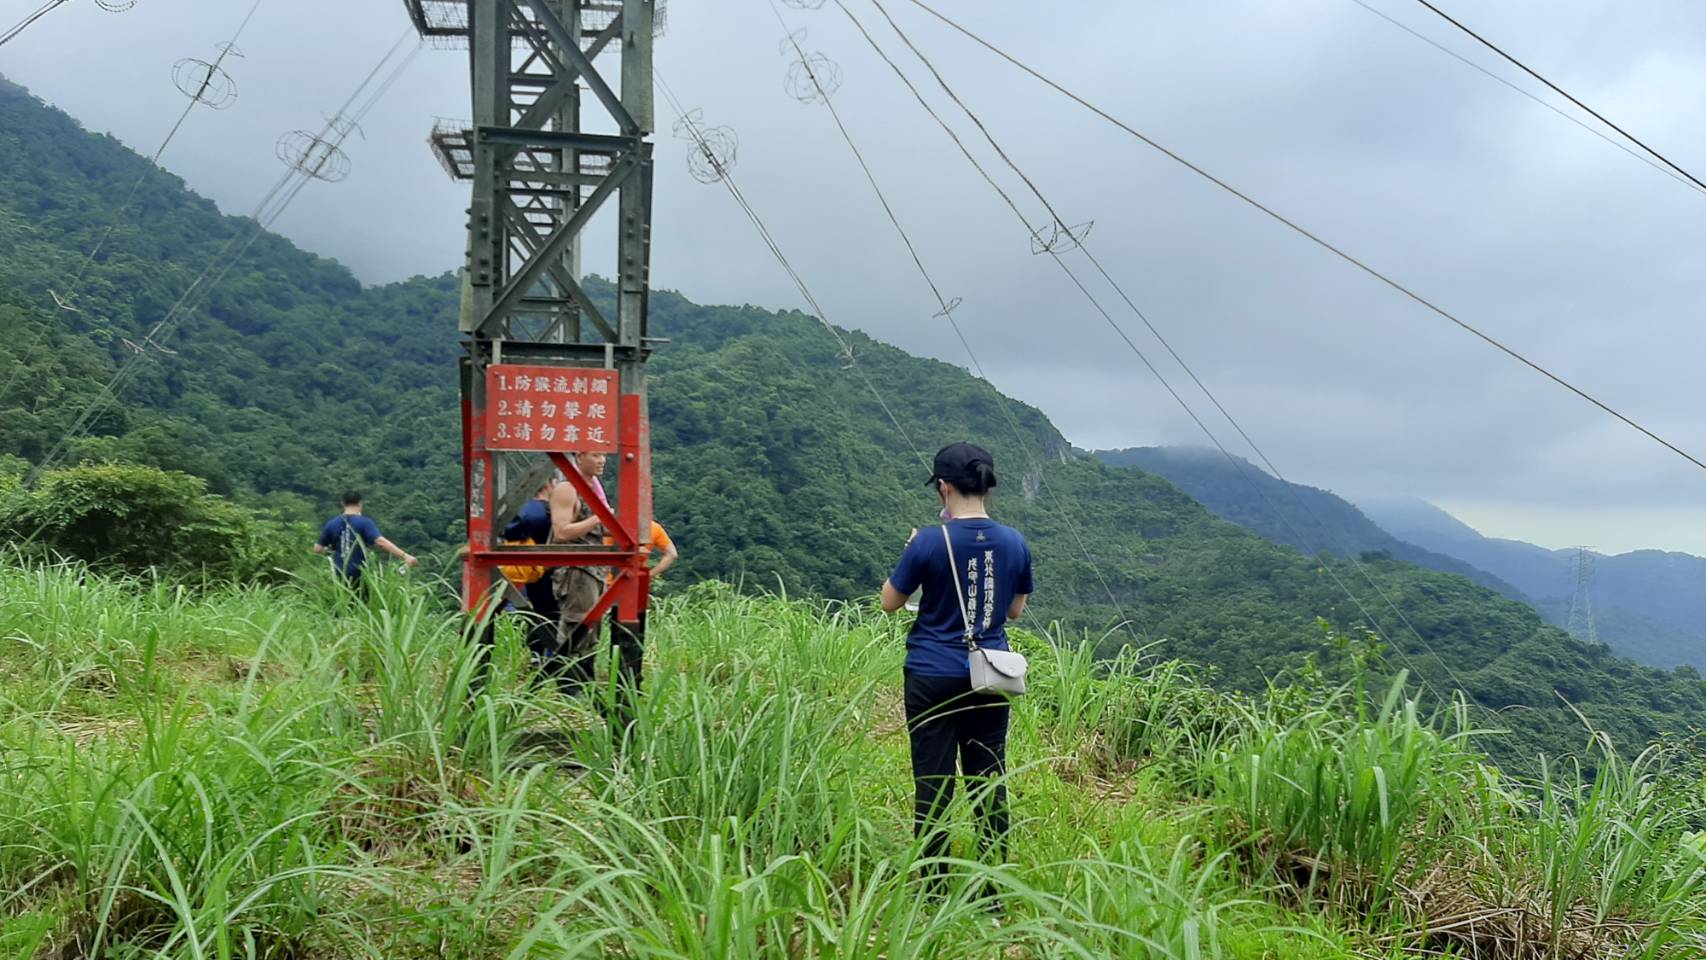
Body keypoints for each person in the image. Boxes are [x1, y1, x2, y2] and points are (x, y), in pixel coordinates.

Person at [880, 442, 1032, 896]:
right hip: (989, 675)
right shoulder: (1014, 542)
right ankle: (992, 894)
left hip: (930, 674)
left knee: (933, 781)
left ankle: (934, 891)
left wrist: (913, 553)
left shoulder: (928, 541)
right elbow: (1014, 612)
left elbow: (890, 603)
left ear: (943, 488)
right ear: (987, 485)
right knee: (988, 781)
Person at [546, 451, 610, 696]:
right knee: (576, 624)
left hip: (595, 568)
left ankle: (584, 685)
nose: (602, 460)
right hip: (576, 569)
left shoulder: (593, 486)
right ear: (579, 457)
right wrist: (598, 517)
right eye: (595, 455)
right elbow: (561, 532)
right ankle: (570, 690)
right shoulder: (567, 488)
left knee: (591, 630)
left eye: (603, 455)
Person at [606, 519, 678, 727]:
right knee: (636, 636)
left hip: (609, 587)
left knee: (612, 635)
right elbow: (672, 553)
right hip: (637, 588)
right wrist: (651, 574)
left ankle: (607, 678)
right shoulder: (653, 528)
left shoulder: (613, 526)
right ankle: (632, 682)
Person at [499, 475, 562, 663]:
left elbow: (507, 532)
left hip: (529, 572)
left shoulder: (520, 511)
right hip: (552, 571)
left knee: (535, 612)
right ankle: (554, 658)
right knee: (553, 614)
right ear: (549, 484)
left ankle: (536, 656)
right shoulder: (549, 511)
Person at [313, 491, 417, 590]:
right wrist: (405, 556)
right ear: (360, 503)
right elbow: (380, 542)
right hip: (359, 575)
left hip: (338, 574)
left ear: (342, 503)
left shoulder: (331, 523)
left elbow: (317, 549)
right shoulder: (364, 522)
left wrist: (333, 553)